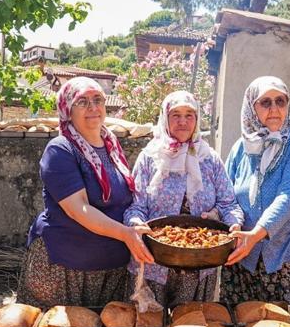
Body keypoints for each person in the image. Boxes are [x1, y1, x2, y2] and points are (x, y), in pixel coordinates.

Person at [16, 77, 153, 308]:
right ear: (68, 110)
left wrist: (134, 225)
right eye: (82, 102)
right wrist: (126, 234)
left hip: (110, 267)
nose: (93, 107)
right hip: (65, 268)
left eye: (98, 100)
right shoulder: (61, 150)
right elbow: (78, 209)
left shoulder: (111, 146)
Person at [125, 90, 243, 307]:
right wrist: (136, 226)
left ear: (197, 120)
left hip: (200, 263)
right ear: (165, 118)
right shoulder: (150, 158)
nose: (183, 121)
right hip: (153, 261)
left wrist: (234, 223)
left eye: (189, 115)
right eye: (176, 115)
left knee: (192, 323)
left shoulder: (209, 159)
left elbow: (228, 203)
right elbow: (136, 206)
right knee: (150, 324)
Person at [221, 76, 290, 305]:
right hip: (244, 257)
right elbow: (226, 195)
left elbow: (289, 196)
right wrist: (223, 217)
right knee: (241, 322)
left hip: (288, 259)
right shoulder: (241, 148)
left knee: (287, 324)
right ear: (251, 107)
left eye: (280, 101)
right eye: (265, 102)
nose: (274, 109)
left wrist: (255, 235)